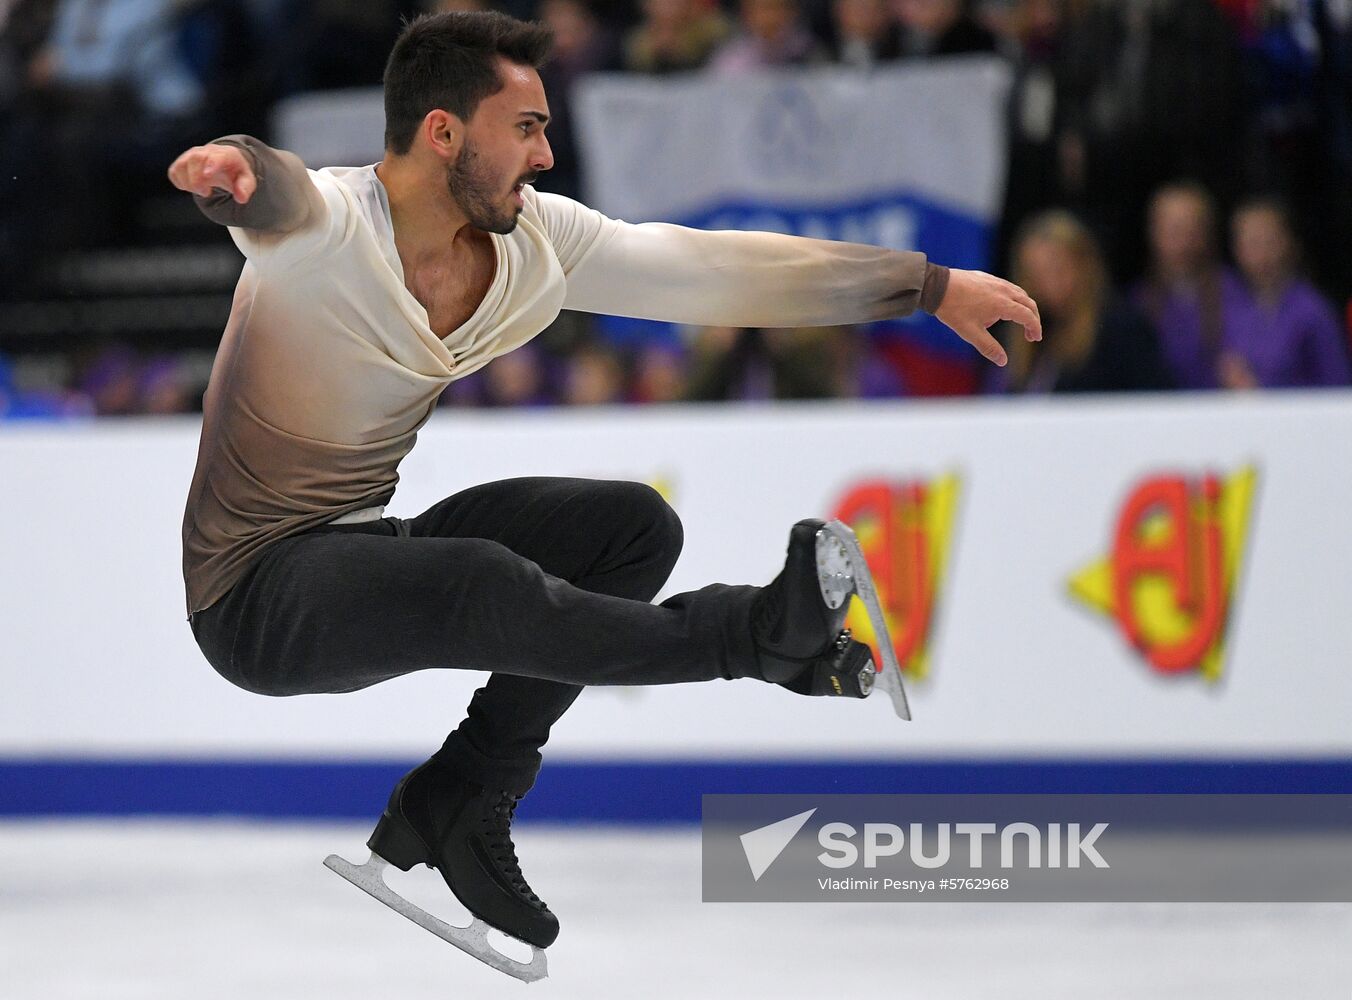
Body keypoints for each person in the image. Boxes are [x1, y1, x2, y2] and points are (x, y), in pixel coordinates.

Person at [168, 9, 1040, 977]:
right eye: (526, 127)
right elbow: (280, 194)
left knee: (627, 528)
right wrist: (236, 168)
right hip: (254, 598)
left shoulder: (539, 247)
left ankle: (467, 792)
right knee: (482, 582)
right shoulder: (329, 228)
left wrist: (924, 286)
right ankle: (758, 635)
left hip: (367, 537)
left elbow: (711, 269)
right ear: (442, 133)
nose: (545, 154)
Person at [994, 208, 1169, 393]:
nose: (1048, 284)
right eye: (1035, 274)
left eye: (1057, 270)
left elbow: (1154, 400)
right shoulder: (1021, 336)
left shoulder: (1121, 331)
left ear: (1085, 266)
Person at [1222, 197, 1351, 389]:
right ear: (1237, 249)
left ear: (1290, 243)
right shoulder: (1230, 305)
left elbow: (1338, 383)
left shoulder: (1313, 310)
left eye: (1270, 242)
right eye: (1252, 243)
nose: (1262, 255)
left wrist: (1261, 392)